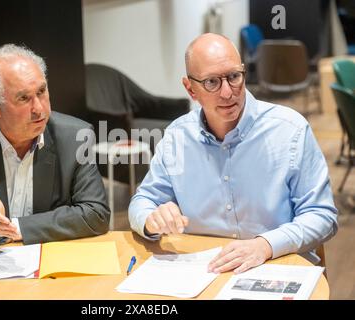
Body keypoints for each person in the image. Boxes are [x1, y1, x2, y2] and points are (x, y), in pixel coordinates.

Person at [128, 33, 338, 274]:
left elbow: (322, 216)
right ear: (190, 89)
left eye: (234, 77)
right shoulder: (177, 136)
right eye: (212, 82)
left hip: (277, 265)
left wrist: (266, 245)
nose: (228, 92)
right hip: (204, 272)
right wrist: (151, 220)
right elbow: (142, 201)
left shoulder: (290, 130)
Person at [0, 44, 110, 250]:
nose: (39, 108)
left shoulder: (76, 137)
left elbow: (96, 213)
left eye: (42, 91)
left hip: (53, 266)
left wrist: (18, 228)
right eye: (24, 98)